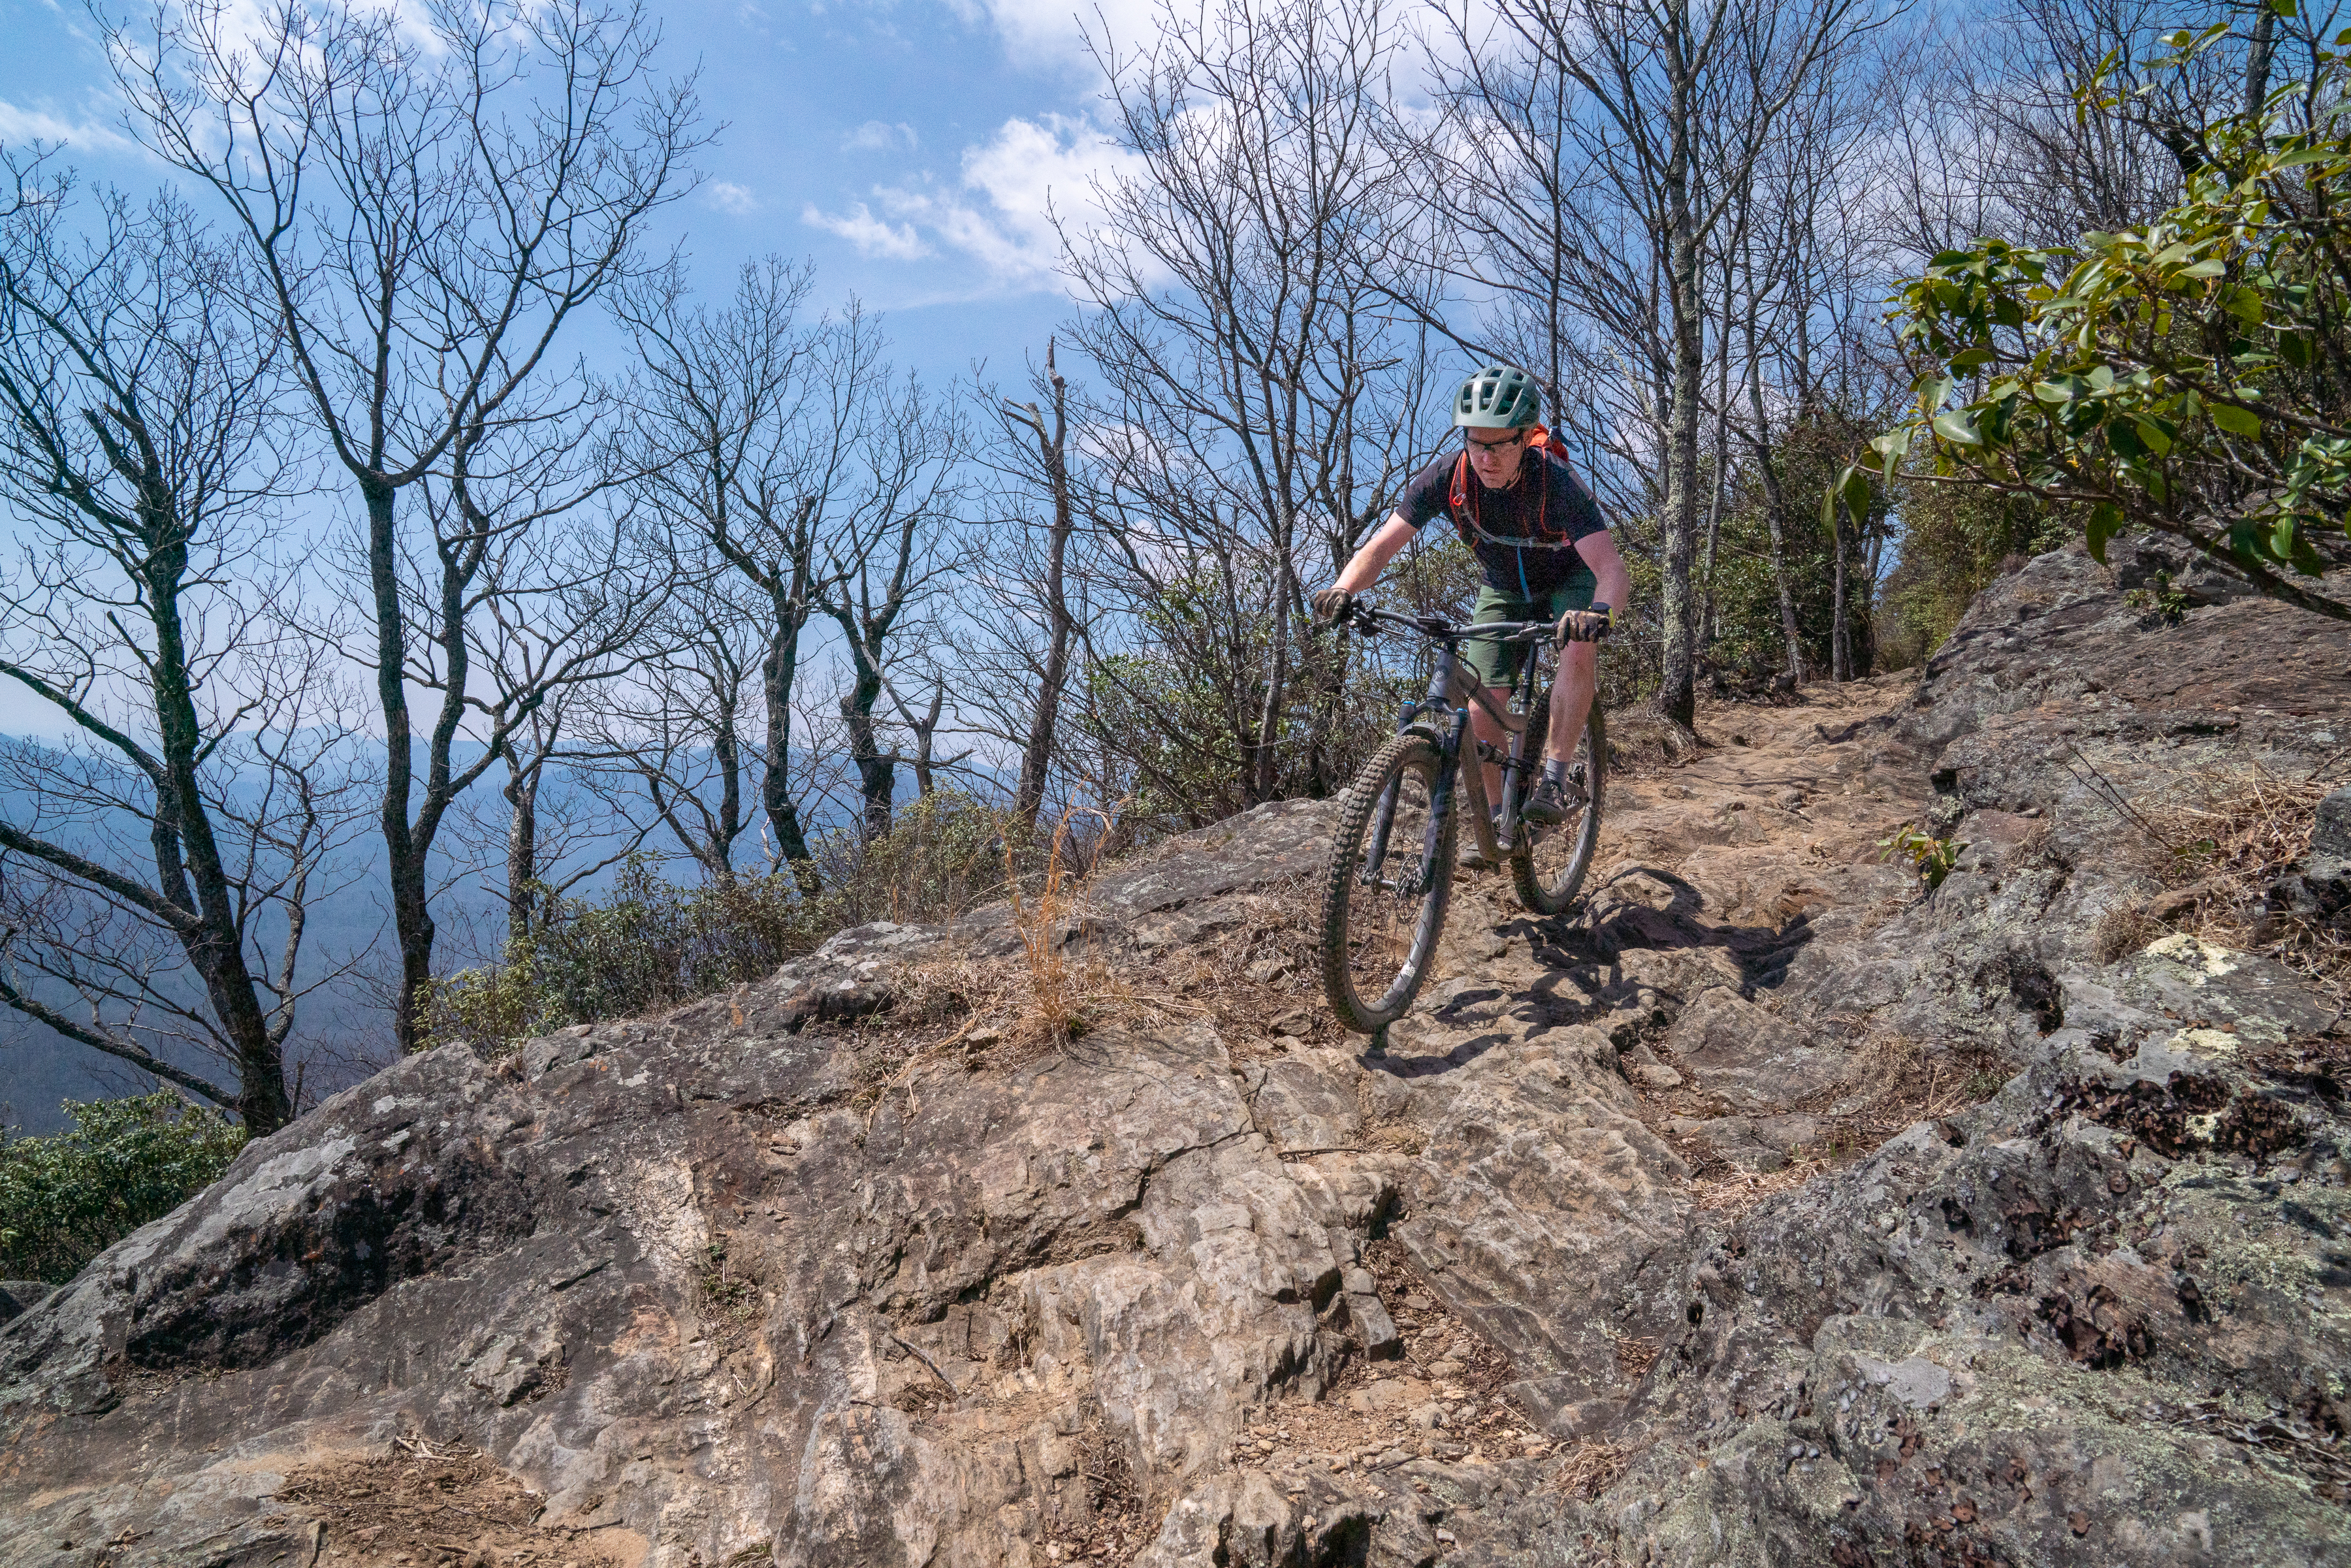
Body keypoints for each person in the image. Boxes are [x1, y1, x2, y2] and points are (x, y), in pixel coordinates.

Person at [1311, 364, 1630, 831]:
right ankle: (1501, 820)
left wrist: (1600, 612)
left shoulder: (1556, 483)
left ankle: (1557, 781)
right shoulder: (1448, 478)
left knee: (1578, 647)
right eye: (1476, 442)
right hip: (1503, 586)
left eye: (1499, 444)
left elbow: (1611, 569)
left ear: (1524, 438)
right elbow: (1381, 547)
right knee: (1480, 704)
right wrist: (1342, 588)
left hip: (1570, 579)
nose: (1486, 457)